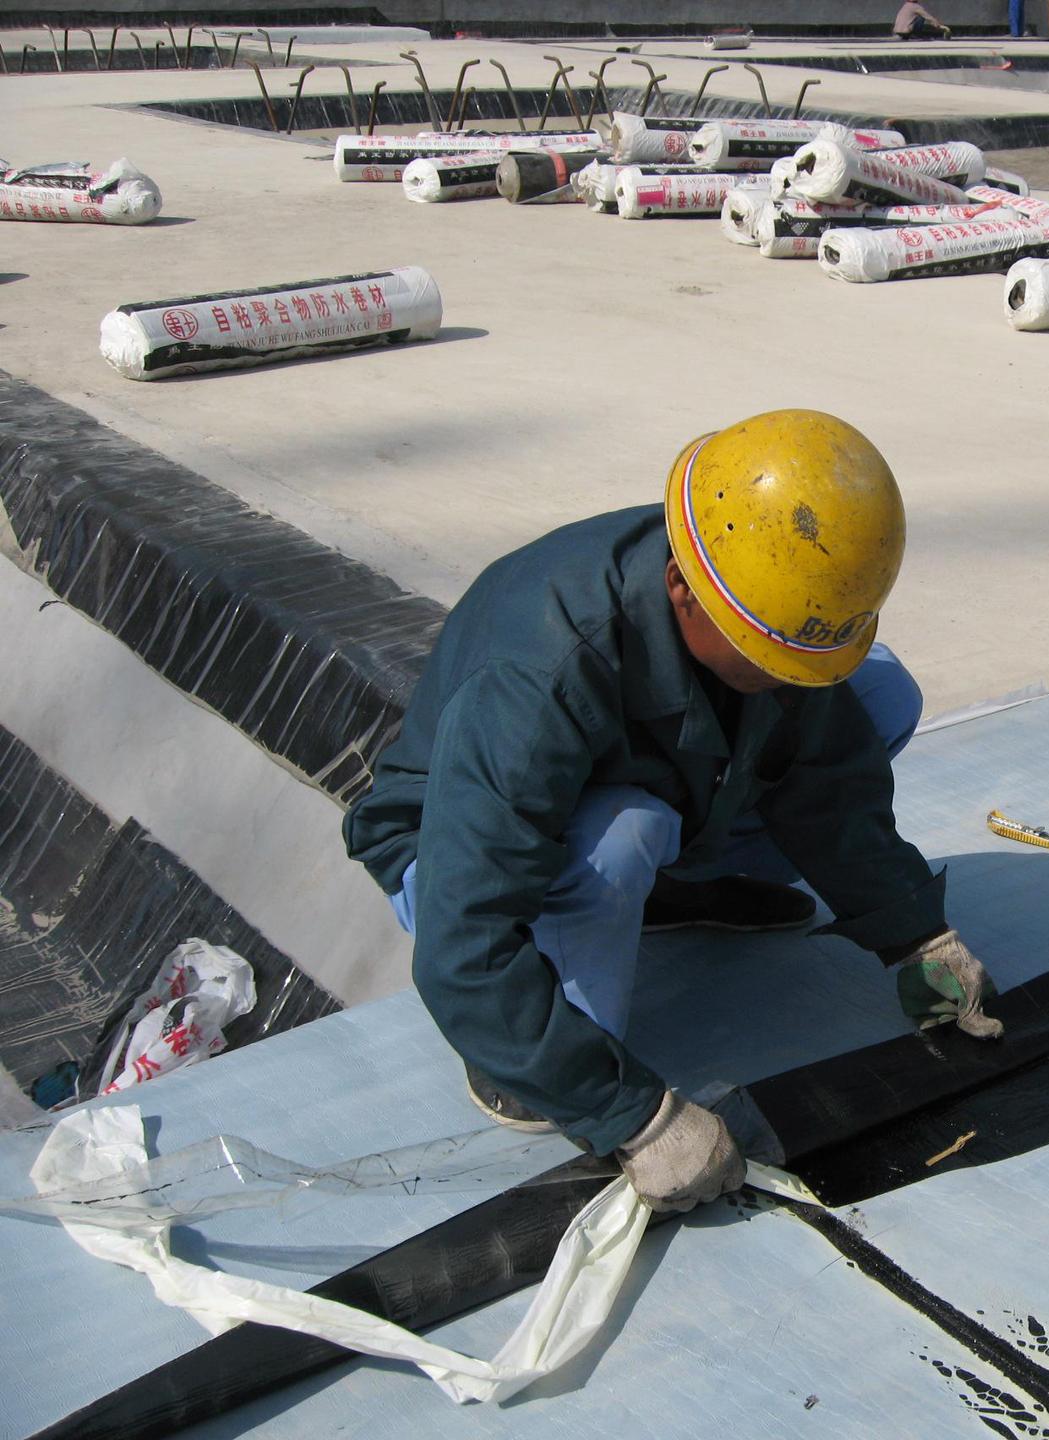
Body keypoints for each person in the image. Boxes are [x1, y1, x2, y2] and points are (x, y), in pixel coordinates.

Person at [343, 411, 1008, 1214]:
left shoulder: (756, 597)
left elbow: (827, 781)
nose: (787, 677)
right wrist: (634, 1115)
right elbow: (467, 940)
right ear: (679, 591)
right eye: (770, 658)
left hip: (649, 770)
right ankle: (525, 1051)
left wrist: (914, 935)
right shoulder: (539, 674)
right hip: (451, 857)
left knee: (876, 695)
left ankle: (676, 896)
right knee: (622, 839)